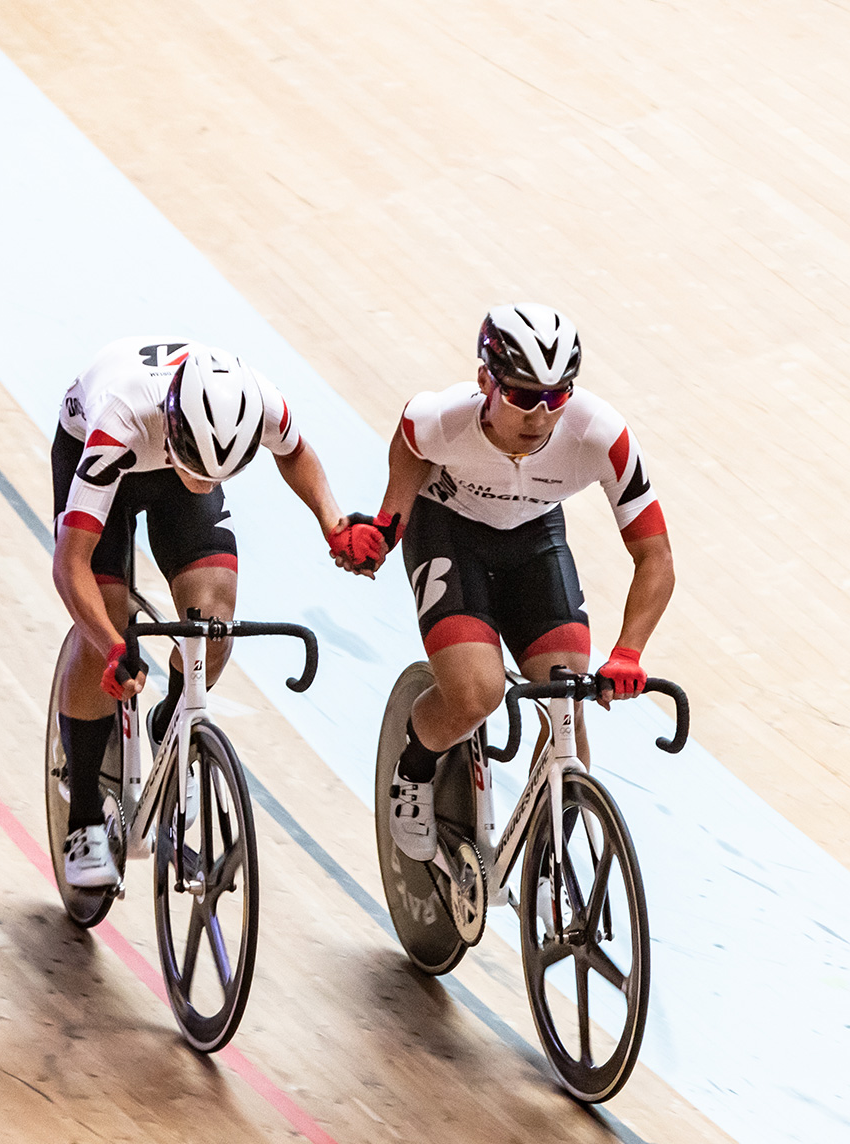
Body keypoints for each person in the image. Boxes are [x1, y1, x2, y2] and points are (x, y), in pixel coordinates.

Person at [355, 303, 674, 860]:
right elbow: (408, 447)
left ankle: (543, 862)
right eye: (525, 396)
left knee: (568, 712)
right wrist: (388, 524)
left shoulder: (602, 434)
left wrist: (628, 652)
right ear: (486, 380)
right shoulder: (441, 419)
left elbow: (656, 558)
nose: (541, 414)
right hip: (449, 533)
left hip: (533, 541)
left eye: (557, 396)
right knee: (478, 694)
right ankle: (413, 769)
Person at [52, 337, 365, 889]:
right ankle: (82, 817)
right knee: (107, 611)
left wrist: (333, 522)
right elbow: (69, 564)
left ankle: (171, 718)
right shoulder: (119, 420)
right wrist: (111, 644)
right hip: (104, 452)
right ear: (177, 427)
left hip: (179, 452)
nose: (206, 476)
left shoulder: (260, 403)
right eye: (197, 463)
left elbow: (295, 453)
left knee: (214, 620)